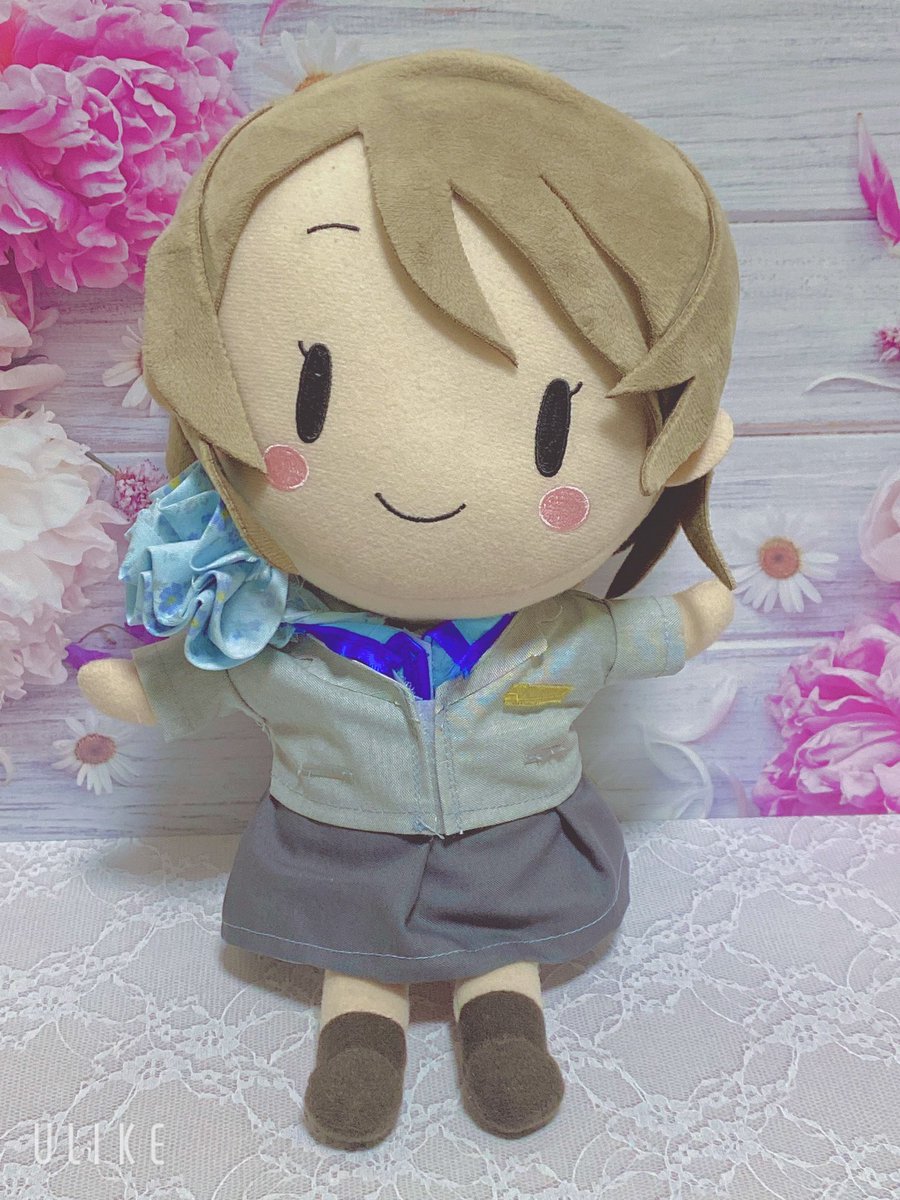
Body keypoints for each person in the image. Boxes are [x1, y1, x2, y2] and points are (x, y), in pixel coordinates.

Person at [79, 49, 739, 1149]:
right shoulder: (279, 638)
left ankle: (503, 1014)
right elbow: (208, 679)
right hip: (339, 852)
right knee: (356, 950)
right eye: (311, 398)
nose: (426, 475)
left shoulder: (553, 636)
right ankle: (358, 1028)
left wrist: (695, 616)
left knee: (503, 949)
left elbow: (632, 635)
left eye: (554, 434)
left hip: (516, 846)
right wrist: (142, 688)